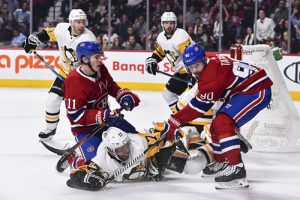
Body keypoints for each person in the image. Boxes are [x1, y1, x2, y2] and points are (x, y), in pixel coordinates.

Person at [160, 43, 273, 189]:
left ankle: (236, 169)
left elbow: (198, 108)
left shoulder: (210, 78)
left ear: (204, 60)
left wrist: (175, 120)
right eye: (191, 67)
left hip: (256, 90)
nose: (194, 70)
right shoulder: (212, 62)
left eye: (197, 66)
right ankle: (222, 162)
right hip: (246, 88)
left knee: (223, 123)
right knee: (215, 126)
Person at [60, 41, 140, 172]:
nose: (100, 60)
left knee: (135, 140)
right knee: (96, 166)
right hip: (85, 129)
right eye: (96, 57)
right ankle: (74, 159)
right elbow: (76, 116)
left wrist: (123, 95)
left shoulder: (100, 69)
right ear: (85, 59)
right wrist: (104, 115)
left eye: (100, 56)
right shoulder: (73, 81)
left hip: (108, 121)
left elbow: (111, 86)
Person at [22, 9, 97, 141]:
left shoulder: (89, 39)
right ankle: (50, 130)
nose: (81, 25)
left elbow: (94, 63)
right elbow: (47, 33)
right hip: (65, 73)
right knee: (52, 99)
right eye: (78, 22)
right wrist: (33, 40)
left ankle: (89, 132)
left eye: (83, 22)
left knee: (81, 109)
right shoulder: (62, 29)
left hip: (82, 78)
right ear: (71, 22)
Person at [66, 124, 213, 191]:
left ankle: (214, 146)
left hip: (154, 165)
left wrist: (161, 154)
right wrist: (87, 181)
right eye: (120, 149)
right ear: (111, 151)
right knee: (80, 162)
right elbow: (74, 178)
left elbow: (166, 133)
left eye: (125, 145)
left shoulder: (138, 142)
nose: (125, 150)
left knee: (193, 167)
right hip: (148, 172)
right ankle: (72, 157)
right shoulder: (103, 160)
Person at [145, 12, 196, 112]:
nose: (168, 26)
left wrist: (194, 75)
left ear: (175, 24)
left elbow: (191, 57)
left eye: (171, 23)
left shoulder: (180, 36)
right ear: (162, 24)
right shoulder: (161, 37)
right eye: (166, 23)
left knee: (193, 97)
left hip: (195, 71)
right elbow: (160, 53)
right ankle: (180, 118)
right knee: (168, 94)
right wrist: (153, 60)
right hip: (182, 73)